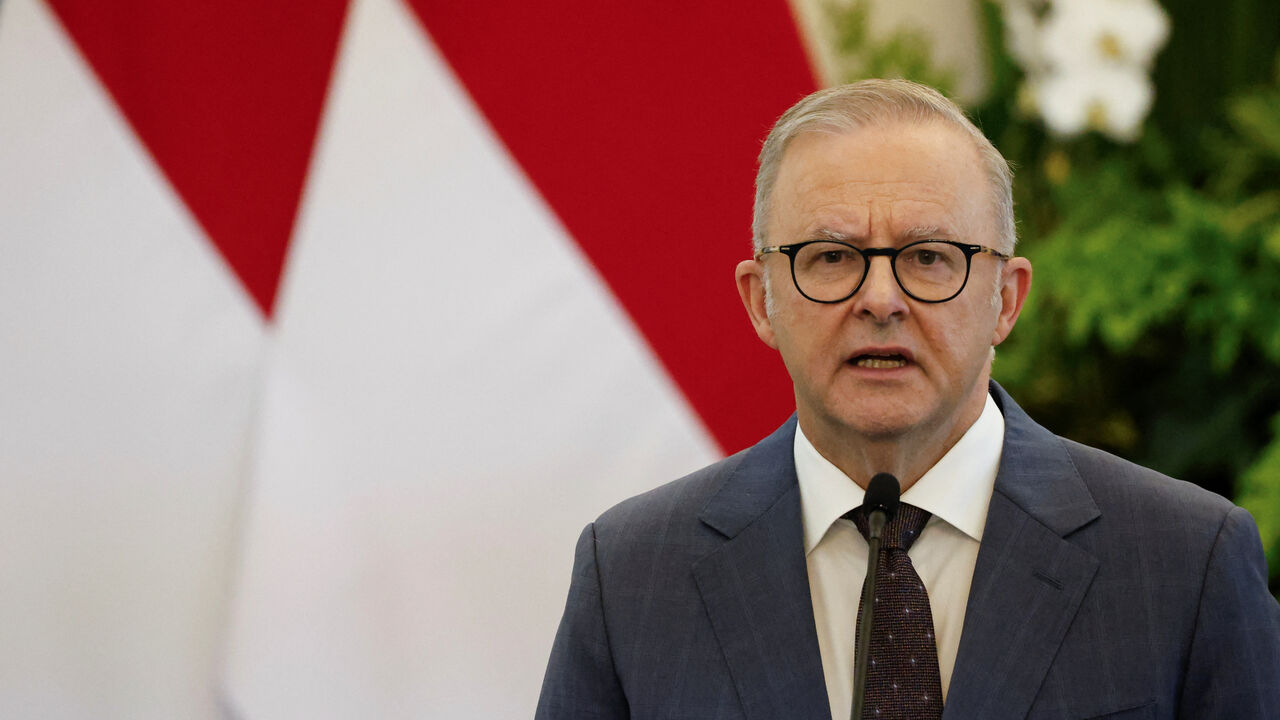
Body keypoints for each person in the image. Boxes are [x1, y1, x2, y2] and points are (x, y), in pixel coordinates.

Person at [535, 79, 1280, 720]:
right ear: (761, 301)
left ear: (1006, 300)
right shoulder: (632, 575)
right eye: (831, 258)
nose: (880, 299)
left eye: (929, 257)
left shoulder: (1185, 562)